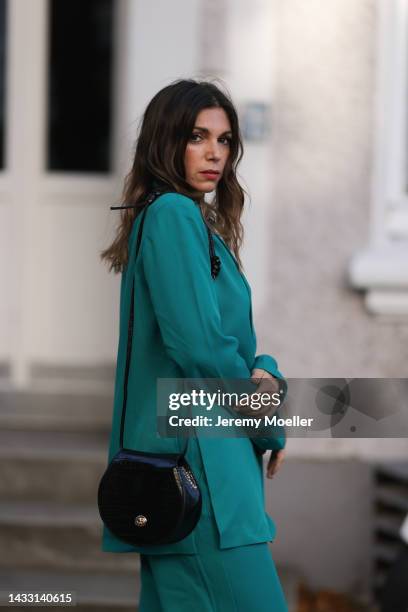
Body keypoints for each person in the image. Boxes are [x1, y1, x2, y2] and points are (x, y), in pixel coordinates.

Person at [100, 78, 288, 612]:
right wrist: (269, 420)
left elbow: (215, 339)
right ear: (166, 141)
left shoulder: (182, 220)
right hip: (202, 471)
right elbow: (201, 348)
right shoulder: (175, 215)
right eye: (198, 136)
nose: (215, 154)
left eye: (225, 140)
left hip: (183, 466)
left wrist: (266, 368)